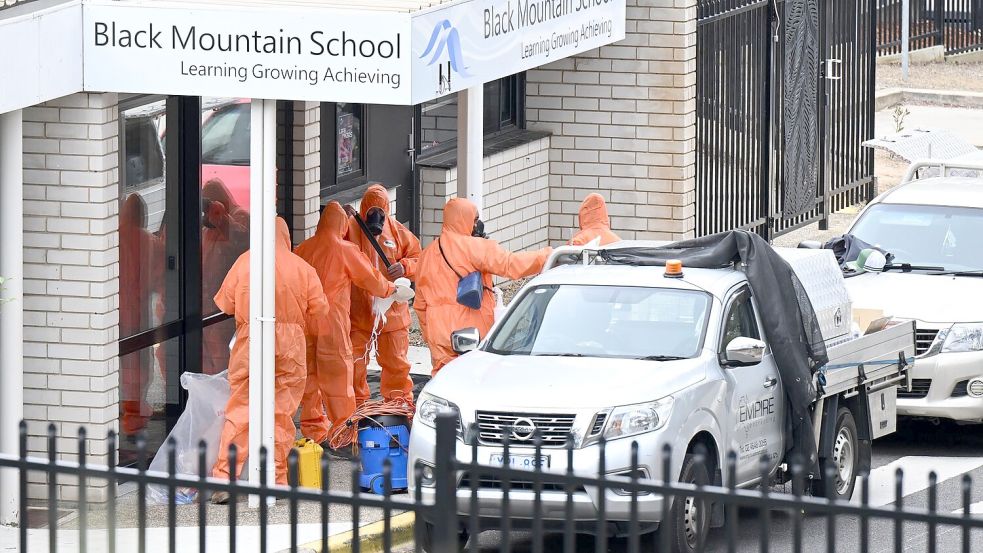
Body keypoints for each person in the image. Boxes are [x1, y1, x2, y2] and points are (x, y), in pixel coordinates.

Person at [210, 217, 328, 499]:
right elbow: (320, 310)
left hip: (251, 338)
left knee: (240, 409)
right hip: (290, 344)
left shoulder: (245, 261)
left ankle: (225, 478)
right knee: (281, 413)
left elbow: (226, 304)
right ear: (286, 237)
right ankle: (275, 479)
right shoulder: (303, 268)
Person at [295, 202, 396, 457]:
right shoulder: (344, 250)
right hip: (332, 323)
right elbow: (370, 278)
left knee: (310, 380)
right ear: (341, 224)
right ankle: (343, 433)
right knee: (339, 380)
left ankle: (313, 430)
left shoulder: (303, 249)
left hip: (305, 323)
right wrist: (391, 289)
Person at [414, 198, 552, 373]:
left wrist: (430, 335)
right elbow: (510, 265)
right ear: (465, 219)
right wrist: (546, 256)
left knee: (444, 383)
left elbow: (420, 304)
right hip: (471, 331)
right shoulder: (476, 247)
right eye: (475, 219)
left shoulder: (427, 254)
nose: (477, 224)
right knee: (475, 379)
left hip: (439, 333)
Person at [345, 185, 422, 405]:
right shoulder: (351, 228)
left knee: (397, 364)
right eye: (371, 210)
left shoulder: (398, 232)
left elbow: (420, 260)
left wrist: (404, 267)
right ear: (364, 208)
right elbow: (331, 239)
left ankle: (398, 410)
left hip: (392, 314)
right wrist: (341, 216)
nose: (375, 216)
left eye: (380, 210)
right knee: (353, 366)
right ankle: (355, 413)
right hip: (359, 313)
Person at [119, 194, 163, 435]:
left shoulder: (113, 238)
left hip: (115, 313)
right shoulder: (149, 241)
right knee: (139, 362)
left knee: (124, 362)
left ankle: (128, 413)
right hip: (138, 314)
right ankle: (135, 417)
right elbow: (161, 276)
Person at [201, 179, 250, 375]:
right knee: (209, 357)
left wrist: (223, 219)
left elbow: (243, 242)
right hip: (208, 303)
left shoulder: (239, 217)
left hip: (226, 305)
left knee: (224, 358)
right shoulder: (208, 228)